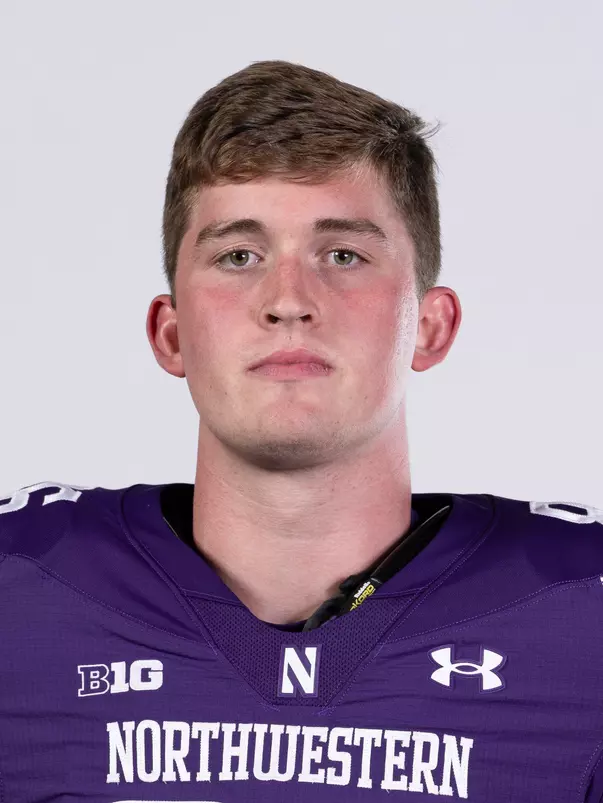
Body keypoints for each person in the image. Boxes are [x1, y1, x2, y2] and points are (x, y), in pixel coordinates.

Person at [1, 59, 602, 803]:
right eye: (238, 256)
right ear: (171, 332)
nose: (287, 300)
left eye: (342, 254)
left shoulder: (583, 616)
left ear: (431, 326)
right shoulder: (20, 597)